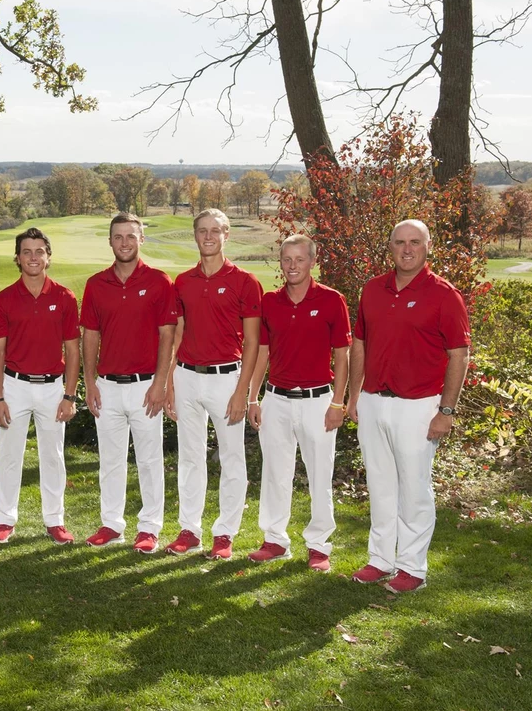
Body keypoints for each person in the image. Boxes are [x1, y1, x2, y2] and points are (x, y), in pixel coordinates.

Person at [347, 219, 470, 593]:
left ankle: (412, 568)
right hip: (373, 402)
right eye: (399, 242)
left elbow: (459, 356)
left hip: (418, 405)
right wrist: (354, 397)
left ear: (428, 246)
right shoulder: (372, 290)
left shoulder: (444, 295)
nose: (406, 249)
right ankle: (381, 560)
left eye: (414, 242)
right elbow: (360, 346)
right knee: (381, 486)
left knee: (414, 490)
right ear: (390, 246)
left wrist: (445, 412)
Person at [244, 234, 350, 572]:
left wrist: (338, 402)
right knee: (275, 473)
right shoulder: (270, 302)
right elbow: (262, 353)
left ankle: (319, 546)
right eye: (287, 259)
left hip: (318, 401)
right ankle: (275, 540)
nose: (292, 266)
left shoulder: (333, 300)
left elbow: (343, 356)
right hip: (276, 399)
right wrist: (252, 397)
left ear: (312, 261)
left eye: (299, 259)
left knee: (320, 474)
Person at [165, 208, 262, 560]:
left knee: (232, 458)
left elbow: (252, 342)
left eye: (215, 230)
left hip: (226, 379)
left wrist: (243, 391)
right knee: (190, 457)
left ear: (226, 235)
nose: (208, 236)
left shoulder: (245, 281)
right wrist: (171, 384)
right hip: (187, 376)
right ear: (195, 235)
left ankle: (224, 534)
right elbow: (177, 333)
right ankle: (190, 530)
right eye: (202, 230)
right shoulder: (183, 282)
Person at [81, 212, 177, 553]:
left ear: (141, 240)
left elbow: (168, 335)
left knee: (150, 460)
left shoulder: (159, 281)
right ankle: (111, 524)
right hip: (107, 385)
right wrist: (89, 382)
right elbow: (90, 336)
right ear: (110, 241)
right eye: (118, 237)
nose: (124, 243)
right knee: (110, 460)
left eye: (130, 236)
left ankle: (149, 528)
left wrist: (161, 383)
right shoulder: (96, 284)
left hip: (145, 385)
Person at [0, 228, 80, 545]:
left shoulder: (65, 297)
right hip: (14, 386)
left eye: (39, 251)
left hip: (53, 388)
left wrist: (69, 394)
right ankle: (4, 520)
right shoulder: (4, 299)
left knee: (53, 457)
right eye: (27, 251)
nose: (33, 257)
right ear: (17, 258)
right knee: (9, 456)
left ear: (48, 257)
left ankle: (54, 521)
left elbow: (73, 350)